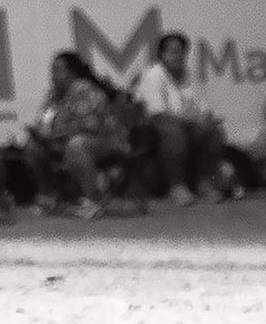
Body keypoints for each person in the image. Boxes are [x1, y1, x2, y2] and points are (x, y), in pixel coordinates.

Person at [16, 51, 131, 219]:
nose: (53, 75)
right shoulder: (54, 95)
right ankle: (49, 197)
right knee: (33, 145)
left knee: (76, 145)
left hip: (107, 140)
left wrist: (55, 135)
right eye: (52, 71)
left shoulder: (83, 89)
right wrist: (40, 133)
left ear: (73, 72)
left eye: (58, 70)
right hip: (65, 140)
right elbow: (46, 121)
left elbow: (90, 125)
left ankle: (94, 200)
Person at [135, 31, 238, 204]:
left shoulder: (190, 75)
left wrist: (205, 119)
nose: (178, 56)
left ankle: (204, 183)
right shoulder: (152, 75)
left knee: (213, 131)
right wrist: (191, 120)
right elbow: (157, 112)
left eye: (181, 51)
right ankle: (177, 186)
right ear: (162, 54)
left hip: (188, 124)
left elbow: (204, 106)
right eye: (173, 52)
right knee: (173, 133)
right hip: (158, 126)